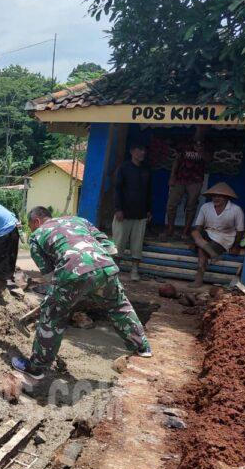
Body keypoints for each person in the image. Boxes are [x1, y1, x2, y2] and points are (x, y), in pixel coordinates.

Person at [11, 207, 151, 380]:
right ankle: (143, 348)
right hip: (105, 266)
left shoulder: (36, 236)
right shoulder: (78, 220)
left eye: (31, 225)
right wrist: (93, 277)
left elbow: (50, 276)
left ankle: (37, 367)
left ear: (36, 222)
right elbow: (112, 248)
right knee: (119, 306)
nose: (31, 229)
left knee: (52, 316)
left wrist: (66, 293)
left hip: (72, 274)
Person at [190, 182, 245, 287]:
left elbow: (240, 230)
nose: (216, 198)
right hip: (207, 234)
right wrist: (195, 240)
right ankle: (212, 253)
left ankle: (199, 278)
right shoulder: (206, 206)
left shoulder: (236, 210)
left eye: (219, 196)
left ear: (226, 197)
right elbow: (199, 226)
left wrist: (235, 246)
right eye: (214, 196)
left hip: (224, 238)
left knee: (202, 250)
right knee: (194, 232)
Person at [112, 143, 151, 281]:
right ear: (132, 151)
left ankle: (134, 271)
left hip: (140, 214)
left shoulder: (146, 170)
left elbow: (148, 192)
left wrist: (148, 210)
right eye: (139, 149)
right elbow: (117, 189)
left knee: (137, 244)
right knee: (118, 244)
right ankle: (114, 271)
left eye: (143, 149)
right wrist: (118, 209)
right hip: (123, 213)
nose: (142, 152)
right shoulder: (123, 168)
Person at [163, 134, 210, 240]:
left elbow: (209, 160)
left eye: (203, 128)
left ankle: (186, 231)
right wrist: (172, 176)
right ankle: (170, 229)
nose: (201, 129)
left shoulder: (207, 143)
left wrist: (201, 151)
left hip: (196, 179)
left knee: (191, 206)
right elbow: (177, 160)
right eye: (199, 127)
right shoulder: (186, 142)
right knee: (171, 204)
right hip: (180, 178)